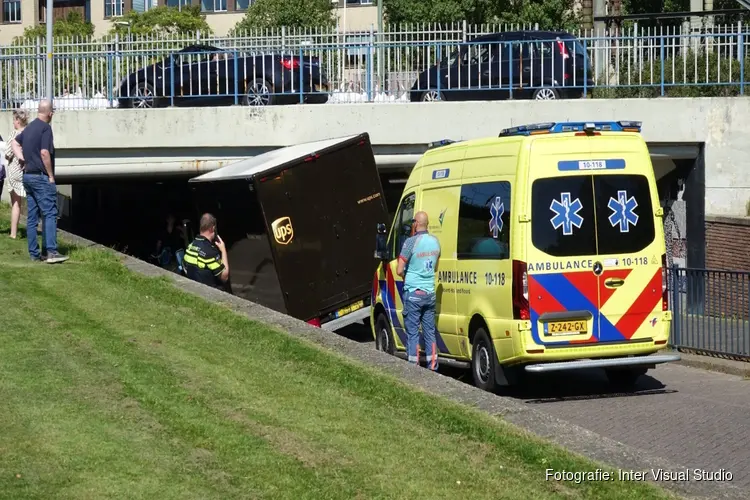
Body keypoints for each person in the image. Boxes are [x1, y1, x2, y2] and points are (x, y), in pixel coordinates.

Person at [11, 99, 68, 264]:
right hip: (40, 177)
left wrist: (23, 159)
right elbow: (44, 152)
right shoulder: (46, 129)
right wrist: (50, 175)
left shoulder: (28, 128)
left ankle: (34, 254)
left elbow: (15, 142)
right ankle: (51, 252)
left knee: (32, 216)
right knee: (50, 213)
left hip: (27, 176)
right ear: (50, 113)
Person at [397, 211, 441, 371]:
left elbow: (399, 270)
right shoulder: (436, 242)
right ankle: (433, 367)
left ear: (416, 223)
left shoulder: (410, 243)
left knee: (413, 332)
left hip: (413, 293)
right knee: (430, 332)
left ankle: (414, 369)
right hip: (429, 294)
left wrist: (408, 275)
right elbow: (435, 267)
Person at [182, 213, 230, 289]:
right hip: (209, 292)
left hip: (194, 289)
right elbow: (224, 277)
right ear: (212, 228)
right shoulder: (210, 252)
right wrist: (223, 250)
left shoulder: (190, 247)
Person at [4, 109, 29, 240]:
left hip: (14, 170)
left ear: (18, 121)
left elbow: (8, 153)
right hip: (25, 170)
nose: (13, 122)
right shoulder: (29, 133)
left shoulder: (14, 134)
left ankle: (13, 233)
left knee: (15, 202)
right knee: (25, 201)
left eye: (14, 120)